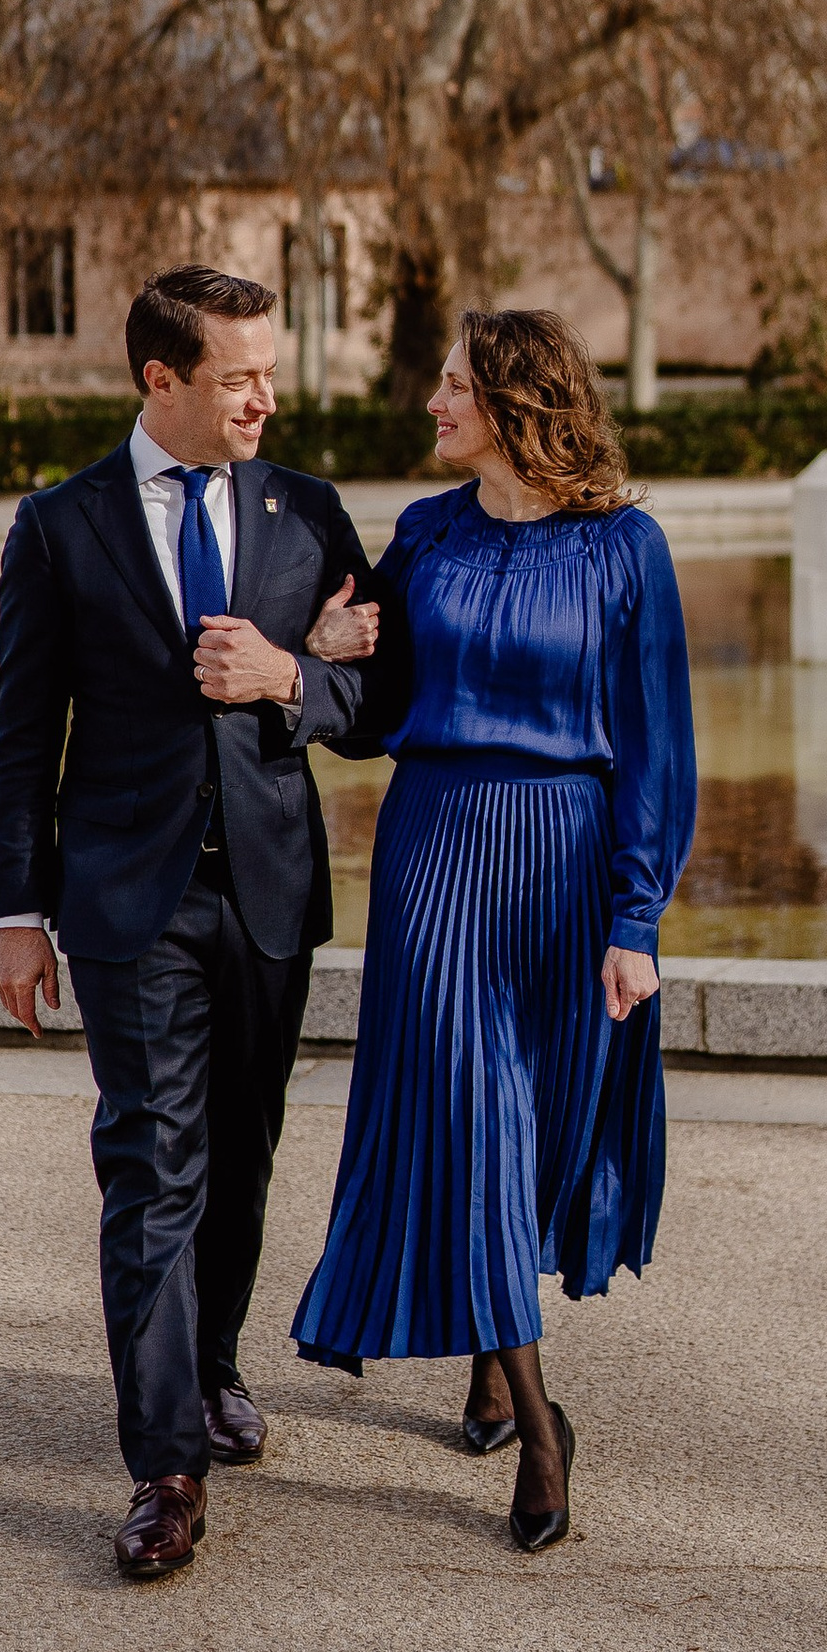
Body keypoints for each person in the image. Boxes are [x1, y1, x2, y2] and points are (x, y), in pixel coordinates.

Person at [0, 265, 380, 1582]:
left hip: (269, 891)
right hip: (122, 900)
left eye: (273, 370)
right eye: (240, 377)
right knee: (151, 1162)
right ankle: (163, 1466)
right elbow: (24, 735)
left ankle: (211, 1370)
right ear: (162, 380)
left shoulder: (310, 517)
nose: (268, 395)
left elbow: (382, 704)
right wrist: (17, 915)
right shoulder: (60, 525)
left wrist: (293, 678)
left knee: (243, 1155)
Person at [291, 307, 697, 1553]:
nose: (431, 400)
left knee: (531, 1135)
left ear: (515, 403)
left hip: (570, 871)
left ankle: (484, 1357)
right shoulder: (422, 537)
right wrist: (318, 657)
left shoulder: (626, 549)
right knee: (471, 1117)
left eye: (454, 384)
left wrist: (637, 917)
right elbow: (371, 715)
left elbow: (659, 751)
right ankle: (538, 1430)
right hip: (436, 858)